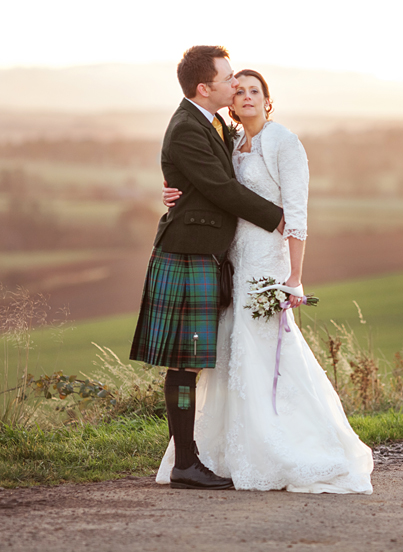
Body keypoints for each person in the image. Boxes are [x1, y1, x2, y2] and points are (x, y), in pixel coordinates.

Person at [156, 69, 374, 494]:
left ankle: (282, 445)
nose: (246, 96)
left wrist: (294, 276)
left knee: (266, 352)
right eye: (238, 90)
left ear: (268, 99)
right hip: (232, 261)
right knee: (232, 355)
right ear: (228, 101)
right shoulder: (229, 140)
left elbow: (296, 212)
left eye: (255, 90)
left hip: (266, 264)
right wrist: (171, 189)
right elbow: (211, 183)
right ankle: (231, 452)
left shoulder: (283, 142)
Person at [130, 46, 285, 491]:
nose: (235, 84)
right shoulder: (186, 128)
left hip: (205, 253)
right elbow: (220, 188)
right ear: (205, 87)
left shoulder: (213, 121)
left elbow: (206, 180)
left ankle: (190, 458)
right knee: (183, 364)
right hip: (186, 254)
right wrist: (279, 217)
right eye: (228, 78)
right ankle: (185, 462)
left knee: (192, 360)